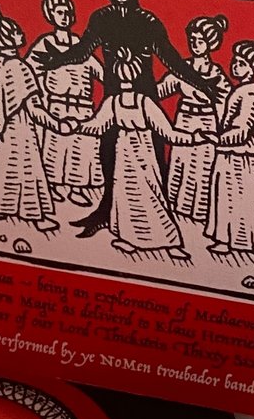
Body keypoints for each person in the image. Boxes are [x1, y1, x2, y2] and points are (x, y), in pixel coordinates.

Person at [39, 0, 216, 236]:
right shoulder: (101, 19)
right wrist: (55, 61)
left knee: (154, 156)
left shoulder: (148, 22)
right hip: (113, 98)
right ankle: (107, 210)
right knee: (108, 152)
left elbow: (172, 61)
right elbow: (82, 51)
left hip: (145, 98)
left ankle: (159, 216)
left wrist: (202, 83)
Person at [68, 49, 206, 261]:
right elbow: (97, 125)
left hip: (143, 151)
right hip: (123, 151)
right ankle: (129, 237)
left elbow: (167, 132)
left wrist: (193, 137)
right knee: (124, 194)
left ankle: (170, 241)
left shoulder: (145, 102)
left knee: (151, 193)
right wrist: (77, 125)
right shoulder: (114, 102)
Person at [0, 3, 60, 233]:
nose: (21, 33)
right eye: (16, 31)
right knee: (26, 167)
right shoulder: (19, 67)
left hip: (1, 128)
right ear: (7, 37)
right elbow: (34, 108)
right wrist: (56, 123)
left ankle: (0, 207)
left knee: (3, 165)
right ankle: (35, 215)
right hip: (20, 127)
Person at [27, 0, 104, 206]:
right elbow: (28, 71)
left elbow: (99, 71)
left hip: (83, 105)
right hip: (58, 104)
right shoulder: (45, 44)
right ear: (51, 15)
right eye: (60, 12)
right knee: (56, 147)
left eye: (67, 12)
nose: (65, 16)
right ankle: (54, 184)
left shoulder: (80, 44)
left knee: (80, 147)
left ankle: (76, 186)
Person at [206, 37, 254, 256]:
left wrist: (219, 139)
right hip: (231, 152)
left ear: (252, 69)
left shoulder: (248, 93)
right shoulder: (241, 89)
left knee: (232, 195)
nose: (235, 65)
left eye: (241, 63)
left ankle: (232, 239)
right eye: (235, 61)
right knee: (242, 193)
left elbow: (243, 128)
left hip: (236, 154)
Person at [159, 15, 230, 224]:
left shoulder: (217, 74)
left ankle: (199, 212)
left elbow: (225, 102)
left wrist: (221, 130)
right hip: (184, 121)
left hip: (206, 122)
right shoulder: (182, 68)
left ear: (211, 44)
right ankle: (175, 207)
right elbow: (161, 89)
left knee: (202, 166)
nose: (195, 44)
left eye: (200, 41)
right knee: (180, 162)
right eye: (192, 39)